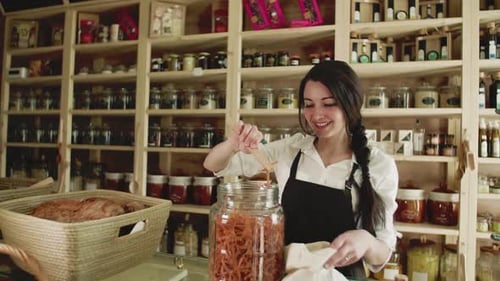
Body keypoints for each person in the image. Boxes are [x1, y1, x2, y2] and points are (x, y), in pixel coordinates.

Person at [203, 60, 398, 280]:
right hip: (285, 274)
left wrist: (366, 241)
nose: (316, 115)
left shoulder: (378, 165)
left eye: (328, 103)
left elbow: (381, 255)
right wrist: (233, 144)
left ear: (351, 104)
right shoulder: (291, 149)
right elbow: (214, 164)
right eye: (309, 104)